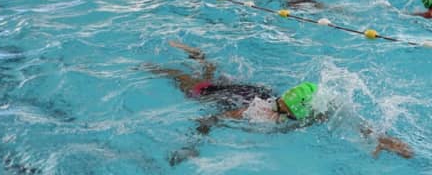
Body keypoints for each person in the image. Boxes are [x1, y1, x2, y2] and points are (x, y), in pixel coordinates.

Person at [151, 40, 412, 162]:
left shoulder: (317, 108)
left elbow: (344, 113)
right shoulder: (265, 110)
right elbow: (211, 118)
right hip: (231, 96)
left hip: (251, 89)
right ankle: (164, 66)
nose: (276, 111)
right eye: (279, 105)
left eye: (282, 109)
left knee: (215, 77)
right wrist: (193, 146)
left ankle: (204, 59)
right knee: (187, 82)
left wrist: (380, 139)